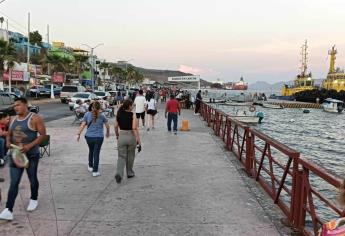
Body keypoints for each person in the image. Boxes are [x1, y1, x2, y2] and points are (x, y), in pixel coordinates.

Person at [0, 97, 46, 221]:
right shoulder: (13, 119)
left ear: (25, 105)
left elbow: (43, 135)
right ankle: (8, 209)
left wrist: (28, 146)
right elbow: (9, 134)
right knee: (14, 182)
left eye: (18, 105)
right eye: (15, 106)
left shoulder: (35, 118)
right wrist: (8, 142)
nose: (16, 108)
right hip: (15, 155)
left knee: (32, 178)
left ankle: (34, 198)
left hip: (31, 155)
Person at [77, 101, 110, 177]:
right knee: (96, 153)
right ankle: (95, 171)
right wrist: (107, 133)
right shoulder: (102, 115)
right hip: (99, 137)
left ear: (92, 107)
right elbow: (107, 126)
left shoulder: (87, 114)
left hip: (89, 137)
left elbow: (82, 125)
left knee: (91, 151)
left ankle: (90, 166)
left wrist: (78, 134)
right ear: (100, 108)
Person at [114, 99, 141, 183]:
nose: (133, 106)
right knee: (130, 156)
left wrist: (117, 135)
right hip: (130, 136)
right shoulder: (133, 115)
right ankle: (129, 172)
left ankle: (119, 173)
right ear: (129, 106)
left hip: (121, 135)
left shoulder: (119, 114)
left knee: (121, 156)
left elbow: (115, 126)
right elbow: (134, 128)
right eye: (132, 105)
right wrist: (139, 141)